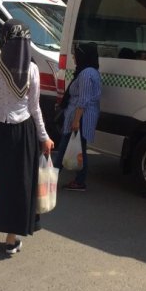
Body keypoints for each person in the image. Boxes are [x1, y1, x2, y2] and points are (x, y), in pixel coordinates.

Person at [0, 19, 54, 254]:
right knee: (17, 186)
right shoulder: (31, 69)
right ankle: (11, 239)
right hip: (21, 134)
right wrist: (44, 136)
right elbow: (35, 108)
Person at [53, 42, 102, 191]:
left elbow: (83, 99)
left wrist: (76, 121)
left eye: (76, 54)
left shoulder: (86, 73)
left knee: (65, 148)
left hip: (80, 117)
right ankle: (73, 179)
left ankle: (54, 179)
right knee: (78, 148)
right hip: (79, 115)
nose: (74, 57)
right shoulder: (89, 71)